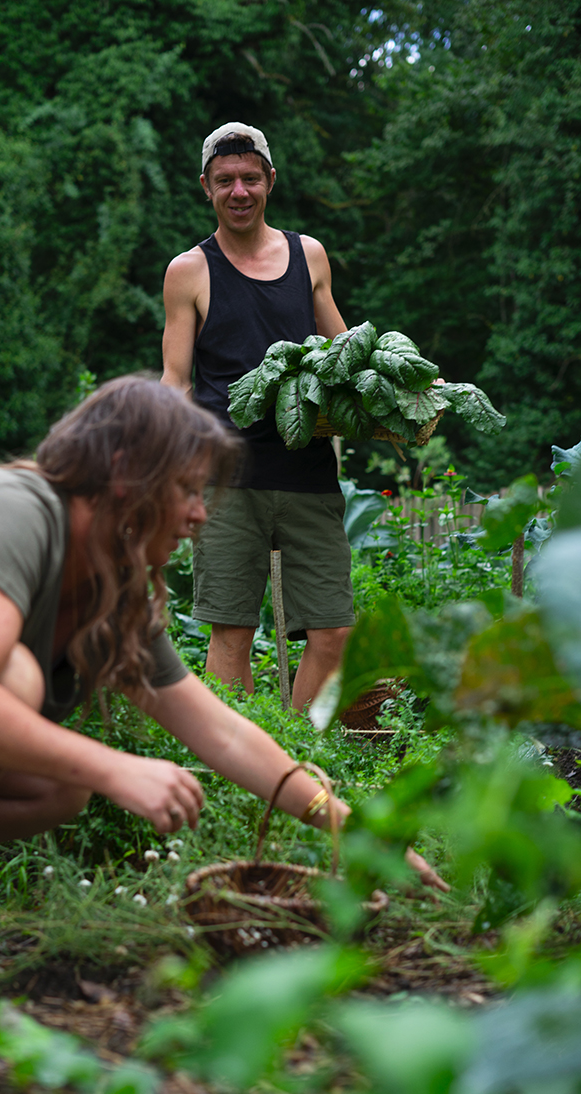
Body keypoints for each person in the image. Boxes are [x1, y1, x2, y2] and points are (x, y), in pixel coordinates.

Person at [0, 377, 356, 965]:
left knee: (57, 786)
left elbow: (222, 733)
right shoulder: (14, 512)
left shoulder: (111, 584)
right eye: (187, 489)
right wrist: (116, 769)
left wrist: (346, 828)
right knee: (8, 683)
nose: (199, 515)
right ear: (126, 471)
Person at [161, 122, 356, 711]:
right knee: (231, 631)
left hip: (308, 472)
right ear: (206, 187)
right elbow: (175, 380)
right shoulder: (189, 271)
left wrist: (405, 392)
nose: (238, 191)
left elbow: (345, 352)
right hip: (226, 479)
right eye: (225, 181)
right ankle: (239, 772)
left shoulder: (309, 256)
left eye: (250, 178)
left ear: (270, 180)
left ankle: (296, 756)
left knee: (333, 633)